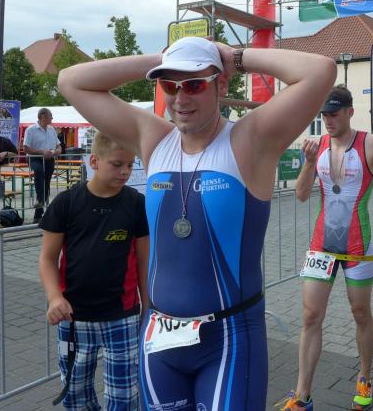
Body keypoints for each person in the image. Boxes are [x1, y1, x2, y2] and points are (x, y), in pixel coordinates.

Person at [57, 35, 336, 410]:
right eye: (169, 85)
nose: (180, 98)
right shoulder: (154, 138)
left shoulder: (250, 139)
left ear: (221, 85)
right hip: (160, 339)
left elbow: (321, 71)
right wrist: (166, 59)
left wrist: (234, 57)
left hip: (228, 340)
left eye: (193, 84)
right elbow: (71, 81)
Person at [281, 85, 373, 411]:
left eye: (334, 113)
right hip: (322, 245)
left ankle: (365, 377)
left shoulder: (372, 144)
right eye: (324, 115)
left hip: (357, 245)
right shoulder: (317, 145)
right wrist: (308, 164)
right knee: (310, 316)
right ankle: (302, 396)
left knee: (360, 313)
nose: (328, 120)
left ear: (350, 112)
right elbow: (300, 195)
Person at [38, 131, 149, 410]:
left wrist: (148, 307)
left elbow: (144, 261)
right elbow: (48, 259)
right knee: (75, 395)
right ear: (94, 161)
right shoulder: (66, 203)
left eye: (130, 165)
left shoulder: (136, 203)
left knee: (125, 397)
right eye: (117, 164)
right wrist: (54, 297)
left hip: (122, 316)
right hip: (73, 316)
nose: (125, 172)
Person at [23, 108, 62, 221]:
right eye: (50, 116)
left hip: (49, 158)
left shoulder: (51, 129)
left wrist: (58, 151)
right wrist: (41, 152)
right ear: (43, 116)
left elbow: (58, 145)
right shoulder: (31, 129)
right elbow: (25, 148)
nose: (52, 118)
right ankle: (40, 200)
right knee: (39, 172)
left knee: (47, 183)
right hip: (35, 158)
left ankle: (38, 214)